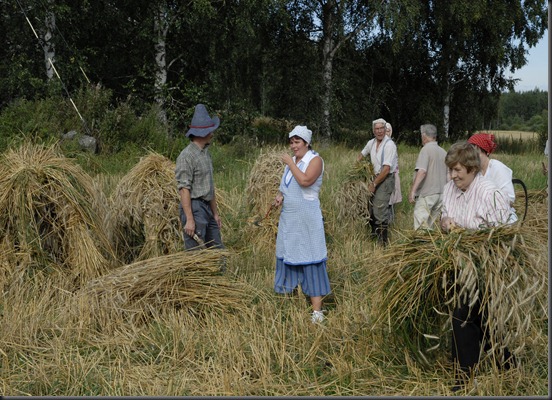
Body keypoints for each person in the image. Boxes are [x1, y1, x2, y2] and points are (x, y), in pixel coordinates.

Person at [440, 142, 514, 391]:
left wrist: (476, 239)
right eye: (451, 170)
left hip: (485, 267)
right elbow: (444, 213)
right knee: (478, 318)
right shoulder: (450, 188)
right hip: (457, 263)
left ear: (472, 168)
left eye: (458, 170)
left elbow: (504, 231)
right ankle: (505, 364)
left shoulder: (488, 192)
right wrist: (445, 221)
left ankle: (465, 376)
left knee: (466, 316)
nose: (453, 176)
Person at [273, 125, 331, 324]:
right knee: (289, 256)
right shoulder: (294, 162)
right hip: (290, 219)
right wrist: (280, 196)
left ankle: (317, 312)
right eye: (291, 142)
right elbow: (286, 186)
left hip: (307, 220)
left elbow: (305, 181)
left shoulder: (315, 160)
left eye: (297, 142)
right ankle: (290, 306)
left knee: (311, 258)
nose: (293, 146)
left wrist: (290, 163)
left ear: (307, 143)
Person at [175, 104, 224, 251]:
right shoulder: (186, 156)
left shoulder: (205, 154)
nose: (212, 134)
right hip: (195, 208)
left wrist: (215, 213)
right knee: (196, 256)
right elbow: (184, 189)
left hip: (207, 207)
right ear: (203, 133)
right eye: (210, 131)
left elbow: (210, 187)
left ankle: (220, 274)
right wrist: (190, 219)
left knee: (217, 252)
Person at [357, 118, 398, 245]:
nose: (379, 131)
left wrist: (374, 184)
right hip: (374, 177)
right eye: (377, 129)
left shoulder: (389, 145)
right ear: (373, 130)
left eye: (382, 128)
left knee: (379, 209)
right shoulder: (371, 143)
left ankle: (383, 242)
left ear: (386, 129)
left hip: (385, 179)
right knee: (370, 207)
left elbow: (386, 169)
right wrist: (357, 168)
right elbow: (361, 154)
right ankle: (374, 234)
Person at [467, 132, 517, 223]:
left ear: (482, 152)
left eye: (473, 154)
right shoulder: (474, 172)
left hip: (502, 217)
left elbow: (510, 199)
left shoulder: (497, 168)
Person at [408, 124, 448, 230]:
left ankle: (421, 245)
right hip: (441, 195)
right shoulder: (443, 152)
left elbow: (422, 172)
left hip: (427, 194)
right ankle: (429, 245)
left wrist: (413, 191)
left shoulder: (425, 150)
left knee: (420, 226)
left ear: (424, 136)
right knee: (429, 227)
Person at [385, 122, 402, 222]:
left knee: (390, 202)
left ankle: (389, 224)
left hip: (392, 176)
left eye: (388, 131)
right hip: (383, 176)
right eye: (385, 130)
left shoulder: (391, 145)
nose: (386, 133)